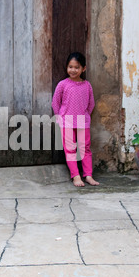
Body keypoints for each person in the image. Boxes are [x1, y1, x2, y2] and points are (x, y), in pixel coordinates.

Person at [52, 52, 100, 187]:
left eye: (76, 67)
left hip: (82, 121)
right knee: (70, 149)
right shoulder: (63, 84)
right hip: (66, 121)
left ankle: (88, 175)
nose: (73, 70)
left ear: (83, 68)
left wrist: (85, 116)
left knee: (85, 148)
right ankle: (76, 176)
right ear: (67, 67)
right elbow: (55, 102)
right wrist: (60, 117)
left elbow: (91, 104)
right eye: (70, 67)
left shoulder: (87, 85)